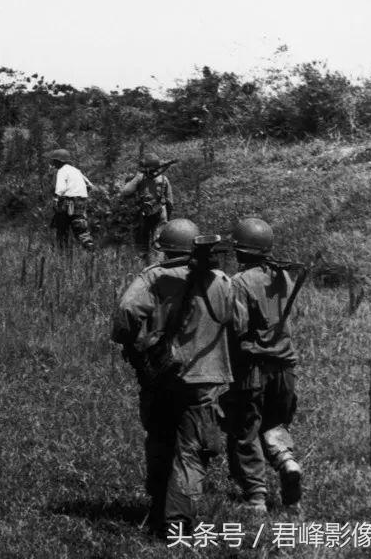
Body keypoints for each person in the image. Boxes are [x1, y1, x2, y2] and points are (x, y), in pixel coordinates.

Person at [112, 219, 242, 537]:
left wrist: (130, 341)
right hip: (205, 378)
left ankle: (158, 504)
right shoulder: (221, 280)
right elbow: (239, 321)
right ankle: (177, 522)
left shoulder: (155, 277)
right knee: (193, 449)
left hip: (161, 376)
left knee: (159, 438)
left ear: (166, 248)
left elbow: (127, 312)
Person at [223, 217, 303, 512]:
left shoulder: (240, 282)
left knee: (245, 429)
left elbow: (238, 326)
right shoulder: (285, 277)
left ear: (242, 252)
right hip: (284, 365)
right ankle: (287, 461)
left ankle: (256, 497)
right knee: (273, 422)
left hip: (252, 367)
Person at [119, 153, 174, 265]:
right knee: (158, 242)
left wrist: (136, 178)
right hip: (160, 213)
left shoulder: (141, 178)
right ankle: (157, 265)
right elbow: (170, 201)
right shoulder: (164, 179)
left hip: (145, 214)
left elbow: (125, 191)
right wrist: (168, 216)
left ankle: (143, 265)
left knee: (143, 241)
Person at [46, 148, 95, 250]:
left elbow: (61, 188)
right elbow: (90, 185)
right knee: (80, 228)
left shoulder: (62, 171)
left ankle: (63, 254)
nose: (53, 163)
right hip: (81, 201)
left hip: (67, 202)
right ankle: (90, 248)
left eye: (54, 161)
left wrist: (56, 199)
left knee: (62, 228)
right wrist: (80, 193)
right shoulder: (77, 171)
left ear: (59, 161)